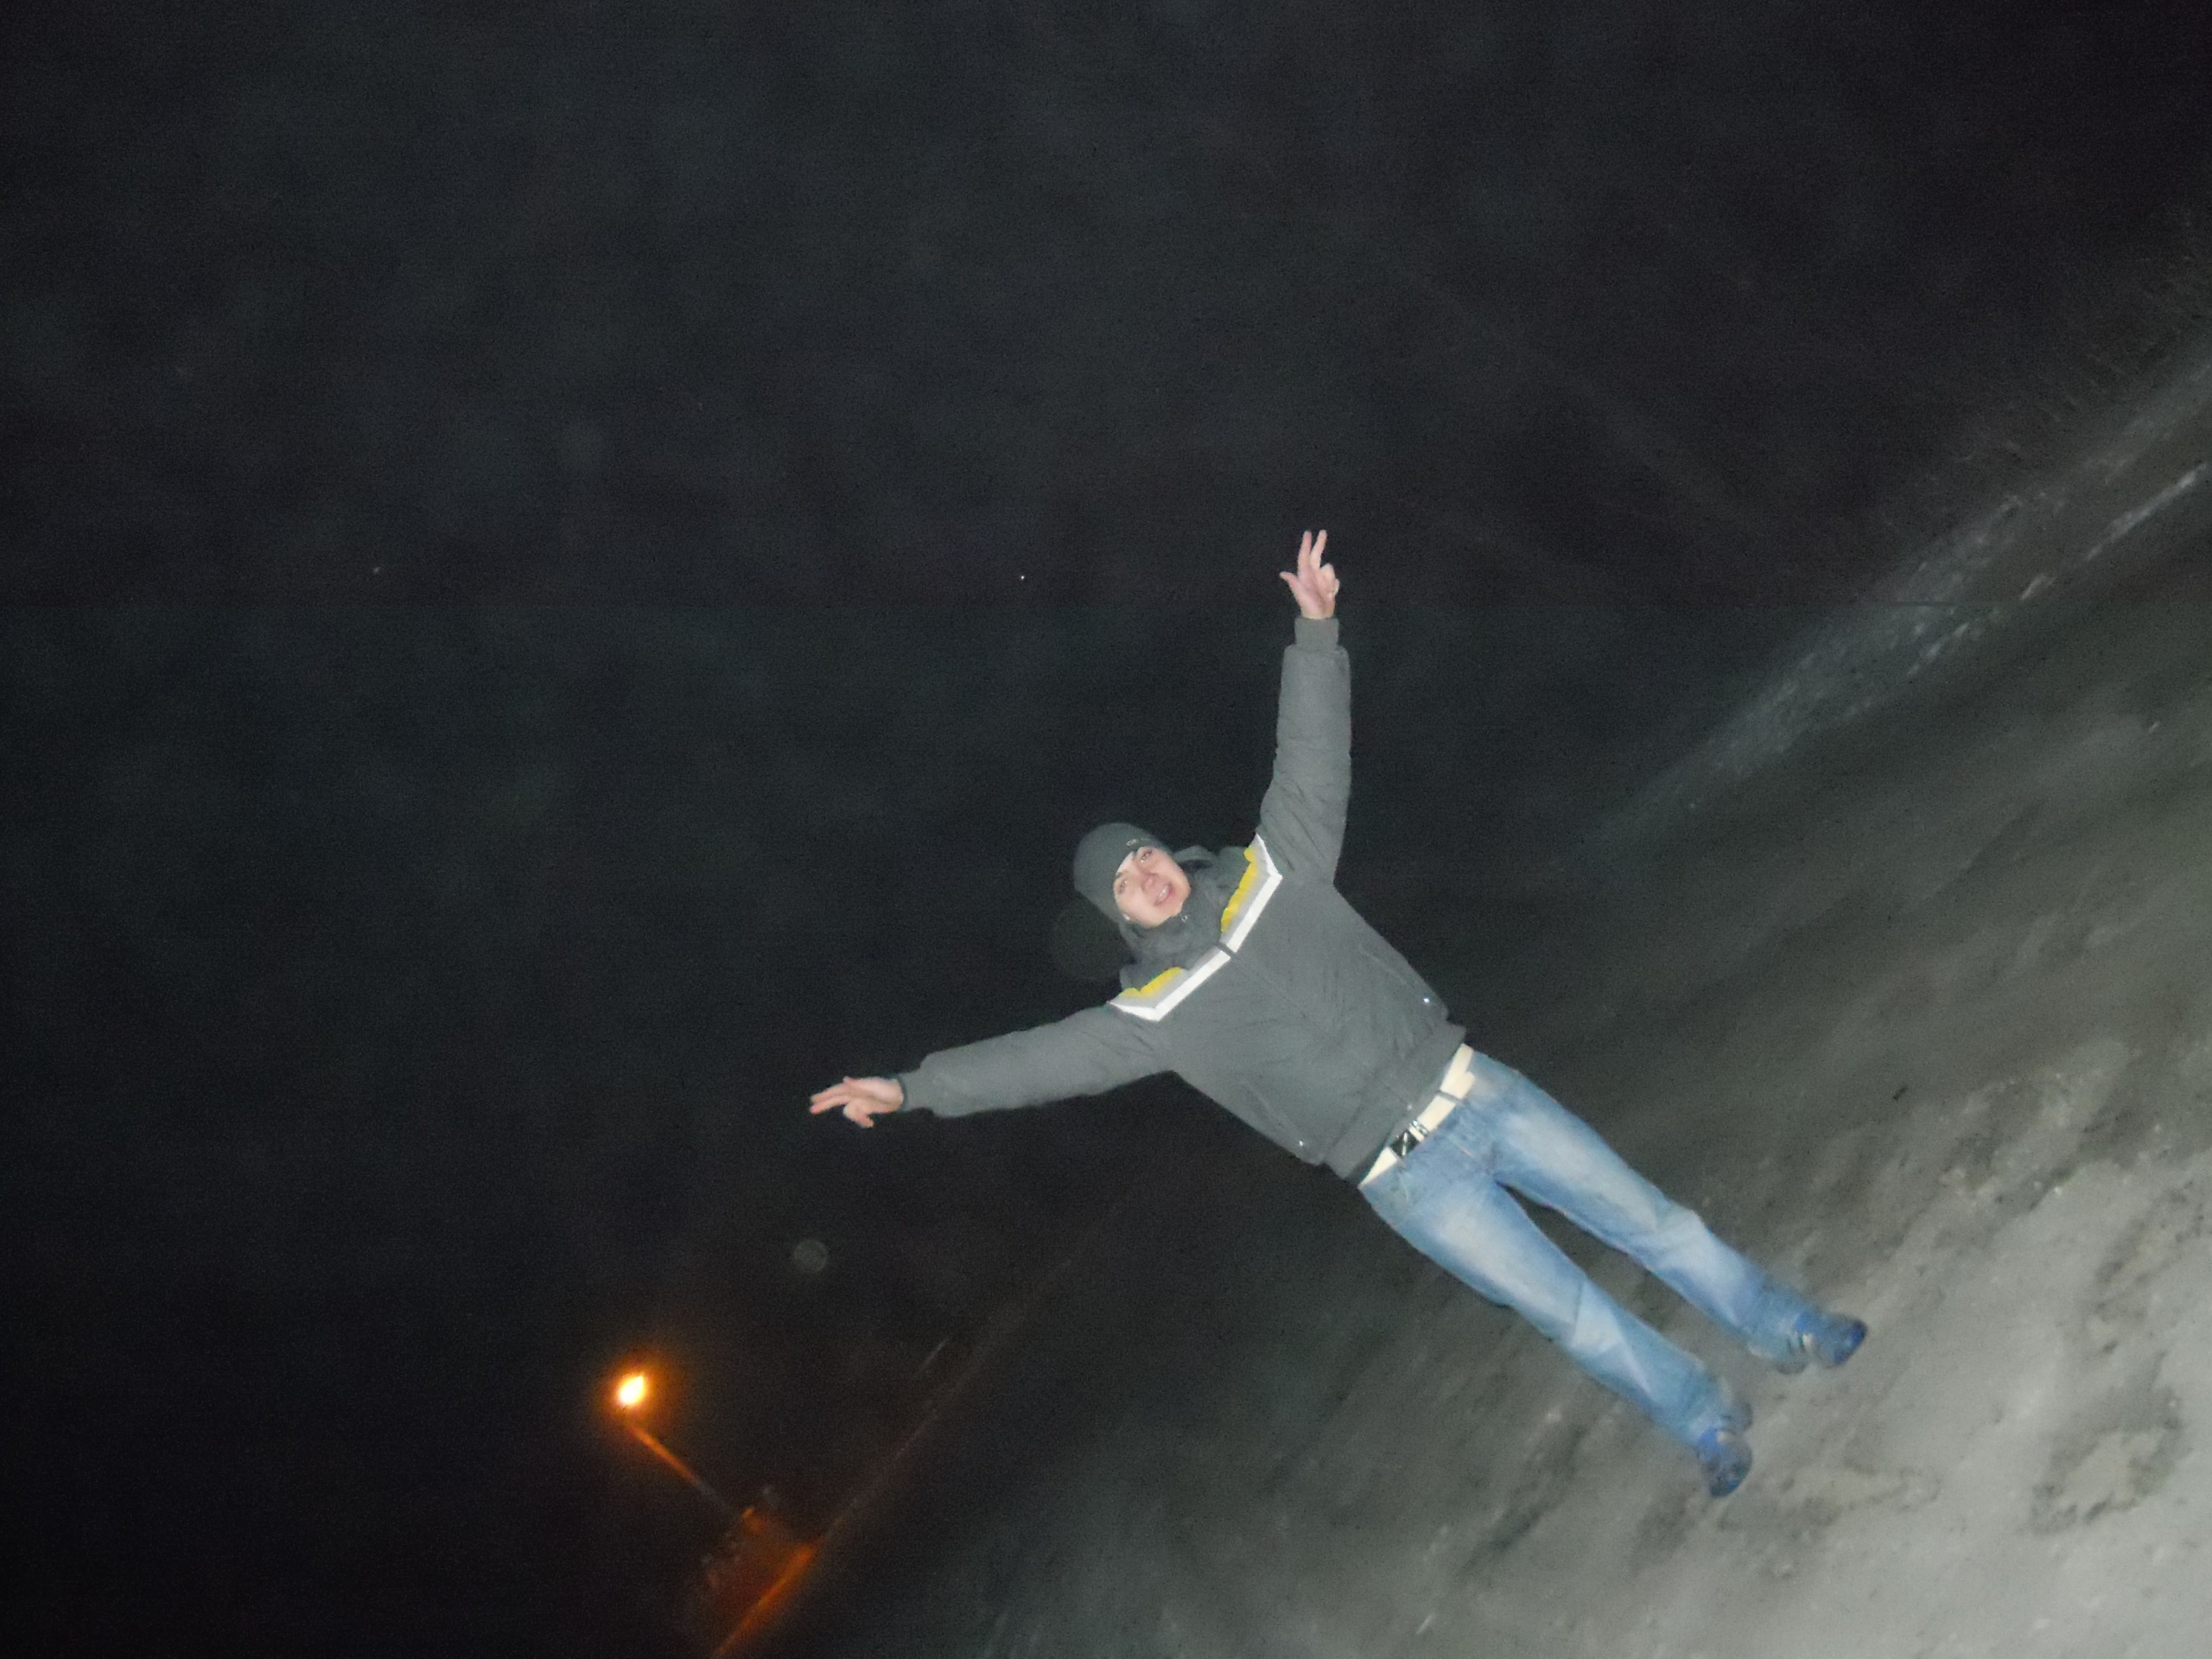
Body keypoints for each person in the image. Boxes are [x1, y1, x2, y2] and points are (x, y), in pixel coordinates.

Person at [809, 531, 1864, 1497]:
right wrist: (910, 1089)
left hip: (1474, 1090)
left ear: (1169, 853)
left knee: (1652, 1221)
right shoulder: (1152, 1013)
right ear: (1117, 917)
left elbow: (1310, 760)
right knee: (1570, 1313)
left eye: (1145, 856)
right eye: (1124, 883)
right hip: (1406, 1181)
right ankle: (1701, 1420)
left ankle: (1788, 1325)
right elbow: (1032, 1062)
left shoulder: (1277, 869)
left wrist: (1315, 632)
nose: (1146, 877)